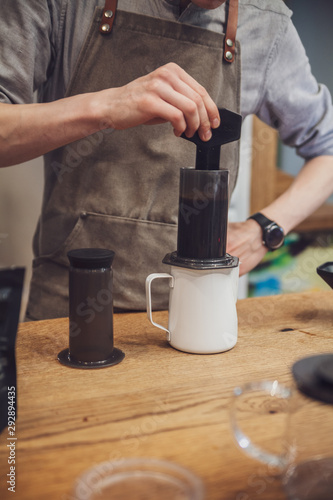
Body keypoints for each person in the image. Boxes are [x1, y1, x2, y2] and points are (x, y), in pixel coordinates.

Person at [0, 0, 333, 320]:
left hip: (198, 317)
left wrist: (265, 229)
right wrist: (107, 107)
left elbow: (327, 146)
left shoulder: (265, 21)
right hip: (66, 309)